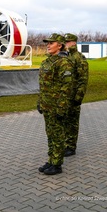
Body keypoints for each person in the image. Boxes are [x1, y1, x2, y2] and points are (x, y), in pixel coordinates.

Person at [37, 33, 73, 175]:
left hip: (57, 105)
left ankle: (57, 164)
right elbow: (43, 85)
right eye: (48, 43)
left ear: (59, 45)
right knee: (50, 134)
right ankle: (52, 160)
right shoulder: (48, 61)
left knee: (57, 135)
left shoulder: (63, 62)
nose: (48, 45)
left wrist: (62, 106)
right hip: (47, 105)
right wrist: (40, 102)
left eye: (51, 43)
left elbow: (67, 87)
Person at [63, 33, 89, 157]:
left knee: (72, 122)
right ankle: (65, 144)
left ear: (73, 42)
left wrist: (78, 97)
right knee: (65, 121)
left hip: (73, 96)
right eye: (65, 42)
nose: (66, 44)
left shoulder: (79, 58)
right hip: (64, 96)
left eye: (68, 42)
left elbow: (83, 79)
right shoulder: (65, 56)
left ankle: (71, 146)